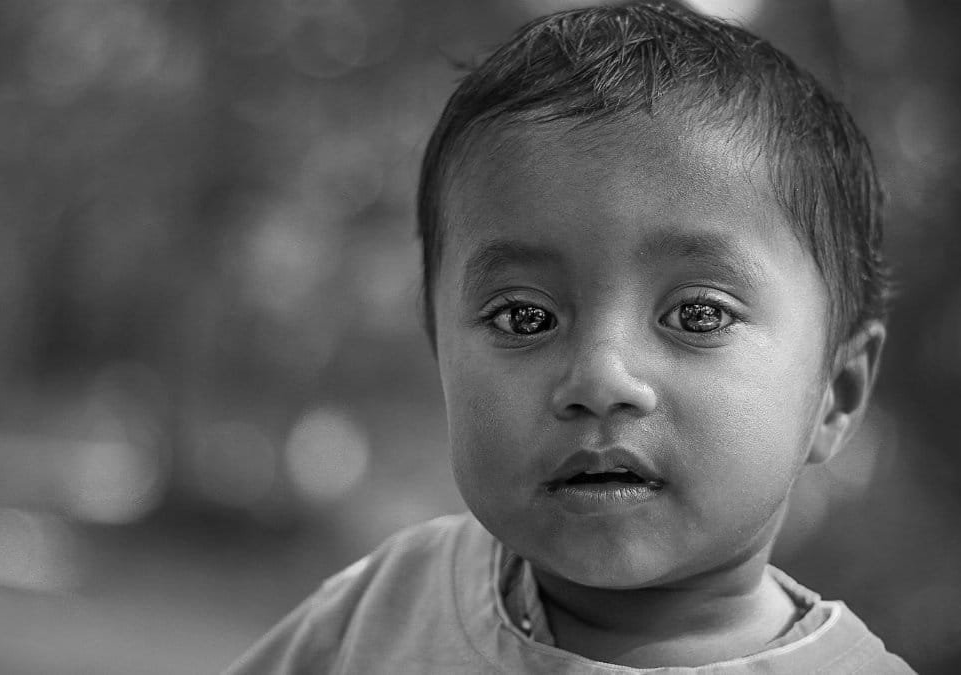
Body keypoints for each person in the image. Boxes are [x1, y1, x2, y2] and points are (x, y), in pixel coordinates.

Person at [227, 3, 914, 672]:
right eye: (524, 317)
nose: (600, 378)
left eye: (698, 314)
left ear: (836, 393)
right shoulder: (388, 605)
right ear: (440, 352)